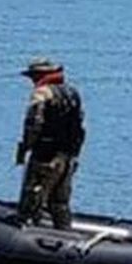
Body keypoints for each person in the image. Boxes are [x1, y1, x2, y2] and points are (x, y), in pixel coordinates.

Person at [14, 57, 84, 229]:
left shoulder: (42, 94)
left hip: (46, 155)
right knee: (60, 202)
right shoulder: (72, 92)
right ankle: (63, 230)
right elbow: (80, 126)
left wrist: (25, 147)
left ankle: (29, 231)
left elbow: (33, 124)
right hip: (68, 155)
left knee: (33, 197)